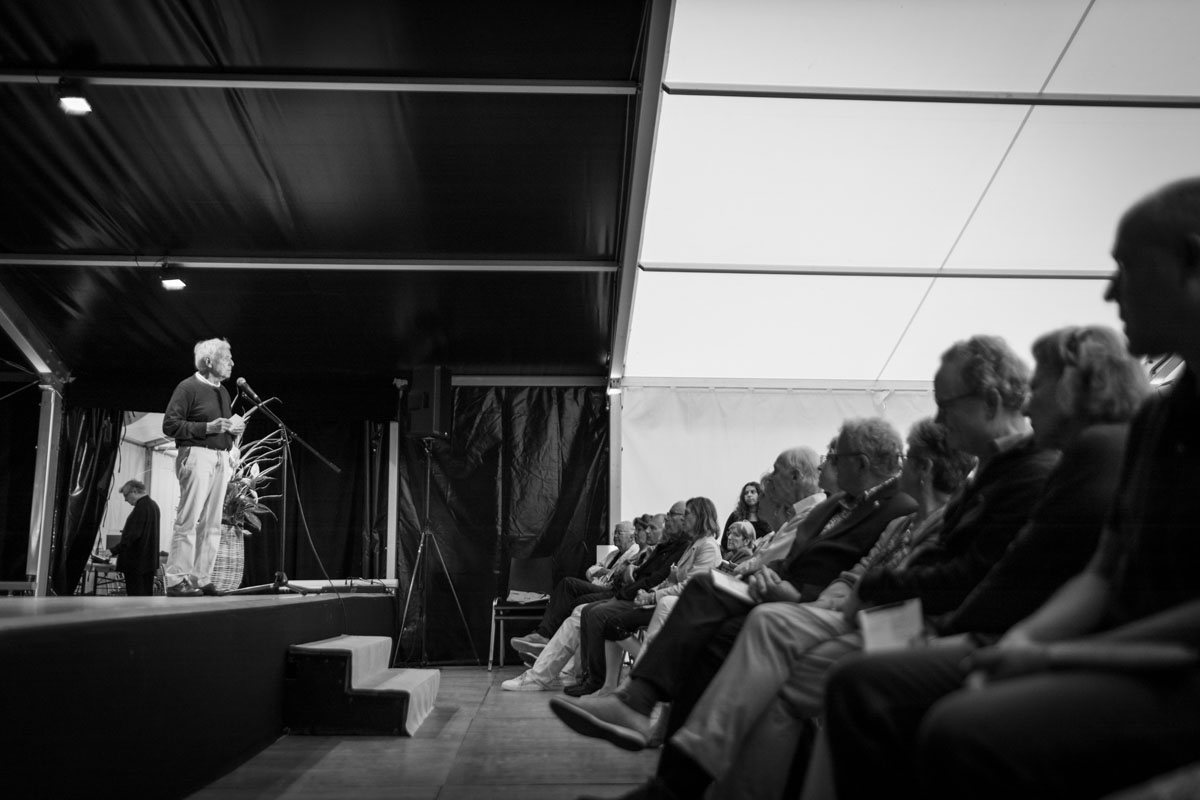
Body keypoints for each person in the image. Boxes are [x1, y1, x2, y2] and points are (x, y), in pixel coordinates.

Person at [825, 177, 1200, 800]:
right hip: (1107, 653)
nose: (1110, 292)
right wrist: (1029, 643)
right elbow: (1102, 571)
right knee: (869, 689)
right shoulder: (1156, 420)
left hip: (1165, 673)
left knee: (949, 725)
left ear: (1191, 259)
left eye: (1127, 268)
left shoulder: (1086, 451)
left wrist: (1045, 654)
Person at [591, 418, 973, 800]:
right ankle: (664, 749)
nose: (900, 466)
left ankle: (677, 775)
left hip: (879, 624)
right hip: (832, 608)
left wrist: (817, 599)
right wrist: (825, 595)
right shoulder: (899, 521)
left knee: (744, 643)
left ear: (923, 469)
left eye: (908, 459)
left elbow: (913, 588)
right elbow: (856, 570)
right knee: (716, 609)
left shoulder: (932, 519)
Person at [550, 418, 916, 752]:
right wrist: (766, 575)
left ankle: (648, 718)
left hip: (807, 605)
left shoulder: (894, 507)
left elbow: (859, 574)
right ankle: (640, 709)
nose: (826, 463)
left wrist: (795, 592)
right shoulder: (839, 505)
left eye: (834, 457)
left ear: (862, 464)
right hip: (784, 591)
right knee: (701, 595)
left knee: (700, 617)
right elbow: (798, 558)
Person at [510, 508, 680, 661]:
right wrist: (618, 573)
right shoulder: (623, 554)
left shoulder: (640, 552)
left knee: (579, 603)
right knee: (573, 595)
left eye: (645, 529)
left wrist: (624, 575)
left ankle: (553, 654)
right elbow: (591, 571)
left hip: (621, 593)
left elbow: (640, 580)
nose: (641, 533)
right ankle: (548, 650)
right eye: (641, 529)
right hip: (616, 590)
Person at [162, 338, 243, 597]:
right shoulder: (188, 387)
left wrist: (232, 431)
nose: (232, 363)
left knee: (212, 523)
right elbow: (170, 425)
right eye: (226, 358)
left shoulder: (223, 392)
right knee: (188, 520)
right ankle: (176, 580)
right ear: (209, 361)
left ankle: (201, 577)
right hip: (197, 454)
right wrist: (208, 427)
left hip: (220, 457)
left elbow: (221, 428)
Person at [110, 479, 161, 597]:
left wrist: (113, 550)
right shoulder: (153, 506)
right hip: (148, 563)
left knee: (135, 597)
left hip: (136, 564)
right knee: (145, 597)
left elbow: (132, 536)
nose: (125, 500)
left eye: (126, 495)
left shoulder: (141, 508)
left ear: (134, 491)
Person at [722, 482, 770, 550]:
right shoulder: (735, 516)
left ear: (760, 495)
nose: (749, 495)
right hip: (739, 555)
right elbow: (724, 542)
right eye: (746, 493)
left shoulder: (767, 516)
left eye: (752, 492)